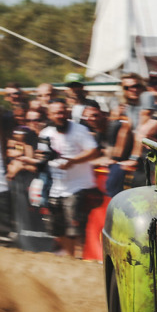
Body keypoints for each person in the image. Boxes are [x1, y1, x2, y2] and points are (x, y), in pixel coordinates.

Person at [38, 99, 102, 258]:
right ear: (49, 115)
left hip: (79, 185)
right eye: (56, 113)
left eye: (62, 112)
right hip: (57, 187)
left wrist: (73, 161)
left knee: (75, 227)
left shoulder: (79, 130)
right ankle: (71, 257)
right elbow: (42, 156)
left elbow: (93, 152)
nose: (60, 115)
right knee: (59, 227)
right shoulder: (45, 134)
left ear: (67, 112)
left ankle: (79, 257)